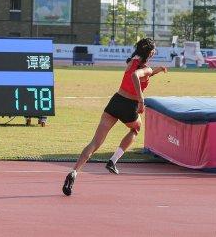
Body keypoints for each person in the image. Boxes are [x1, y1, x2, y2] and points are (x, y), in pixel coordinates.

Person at [62, 38, 167, 196]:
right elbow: (136, 77)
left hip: (116, 101)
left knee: (95, 142)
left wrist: (155, 71)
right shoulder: (146, 69)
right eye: (154, 50)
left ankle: (74, 172)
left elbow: (137, 74)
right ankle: (113, 160)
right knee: (136, 129)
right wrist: (141, 100)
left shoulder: (132, 60)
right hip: (129, 105)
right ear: (151, 52)